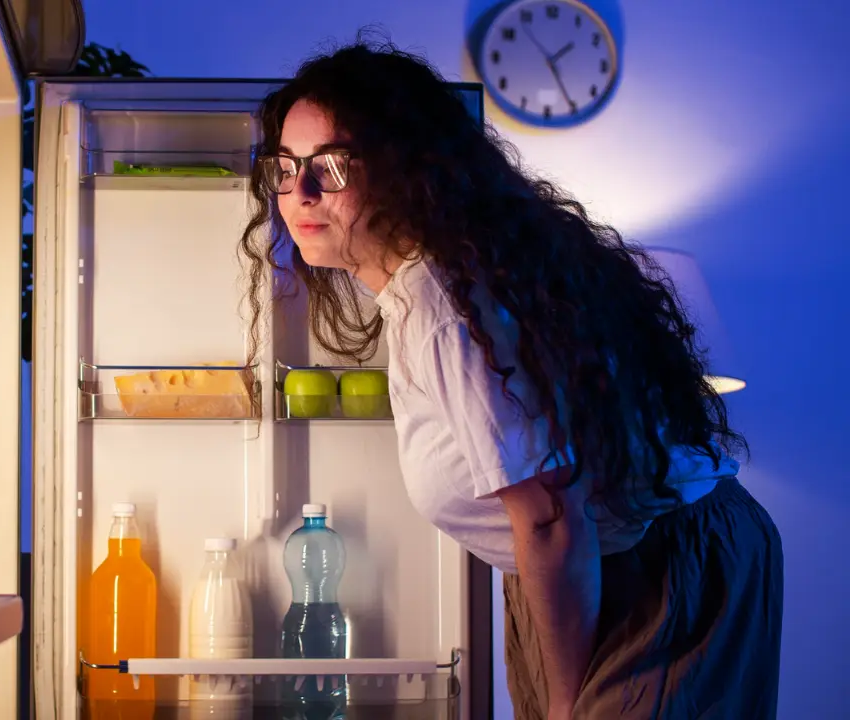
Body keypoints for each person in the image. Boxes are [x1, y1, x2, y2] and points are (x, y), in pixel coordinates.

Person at [238, 38, 784, 720]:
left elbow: (553, 519)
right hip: (596, 571)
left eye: (335, 165)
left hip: (666, 564)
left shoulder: (441, 301)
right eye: (286, 168)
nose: (302, 192)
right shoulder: (417, 293)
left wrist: (562, 702)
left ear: (407, 171)